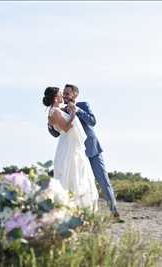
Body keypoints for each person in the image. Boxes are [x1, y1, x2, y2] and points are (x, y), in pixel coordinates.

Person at [48, 84, 123, 222]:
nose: (64, 95)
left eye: (68, 93)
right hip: (74, 153)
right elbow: (56, 132)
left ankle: (114, 212)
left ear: (75, 95)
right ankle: (79, 214)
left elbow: (93, 121)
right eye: (63, 93)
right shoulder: (61, 110)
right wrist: (50, 123)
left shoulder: (83, 105)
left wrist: (77, 110)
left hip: (92, 150)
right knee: (76, 183)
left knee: (103, 181)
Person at [43, 86, 99, 212]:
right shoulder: (54, 111)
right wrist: (74, 113)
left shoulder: (57, 110)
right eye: (60, 94)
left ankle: (79, 208)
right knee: (71, 174)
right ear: (55, 97)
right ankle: (70, 208)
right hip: (67, 146)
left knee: (78, 174)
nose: (62, 96)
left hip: (72, 145)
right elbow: (66, 128)